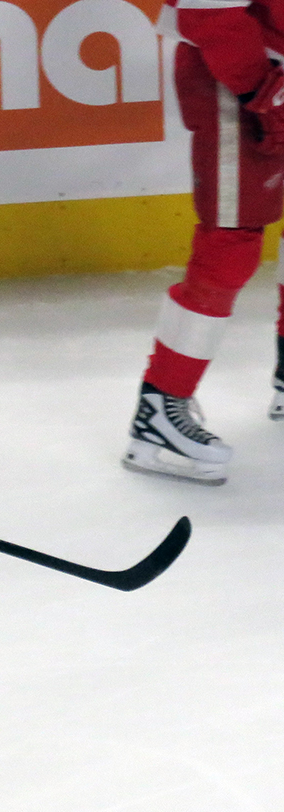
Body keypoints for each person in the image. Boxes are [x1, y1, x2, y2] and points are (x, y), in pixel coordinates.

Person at [122, 0, 284, 485]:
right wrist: (263, 89)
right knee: (229, 245)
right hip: (238, 71)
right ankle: (159, 411)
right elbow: (207, 12)